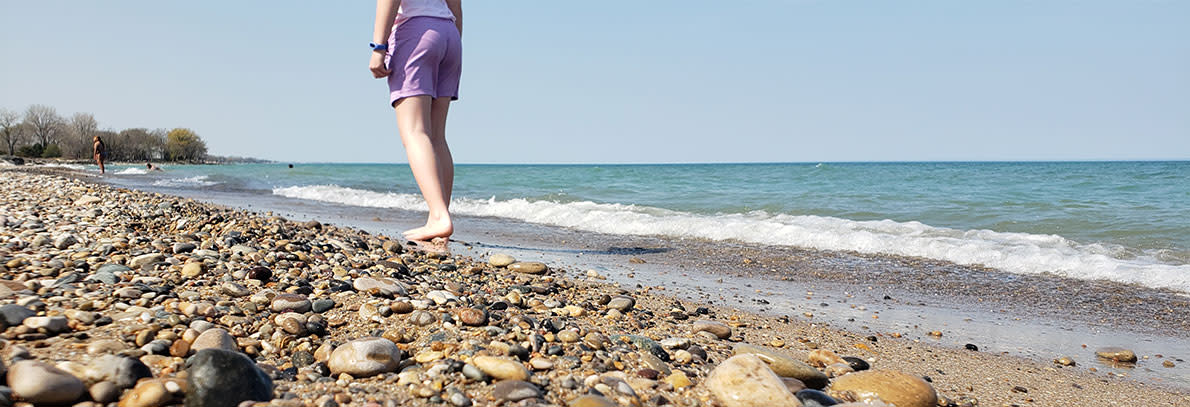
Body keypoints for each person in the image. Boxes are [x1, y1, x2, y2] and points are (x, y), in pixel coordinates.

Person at [371, 0, 463, 247]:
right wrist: (452, 45)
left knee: (415, 132)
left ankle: (439, 216)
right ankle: (439, 215)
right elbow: (456, 7)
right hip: (450, 36)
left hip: (416, 34)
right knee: (436, 136)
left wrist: (379, 47)